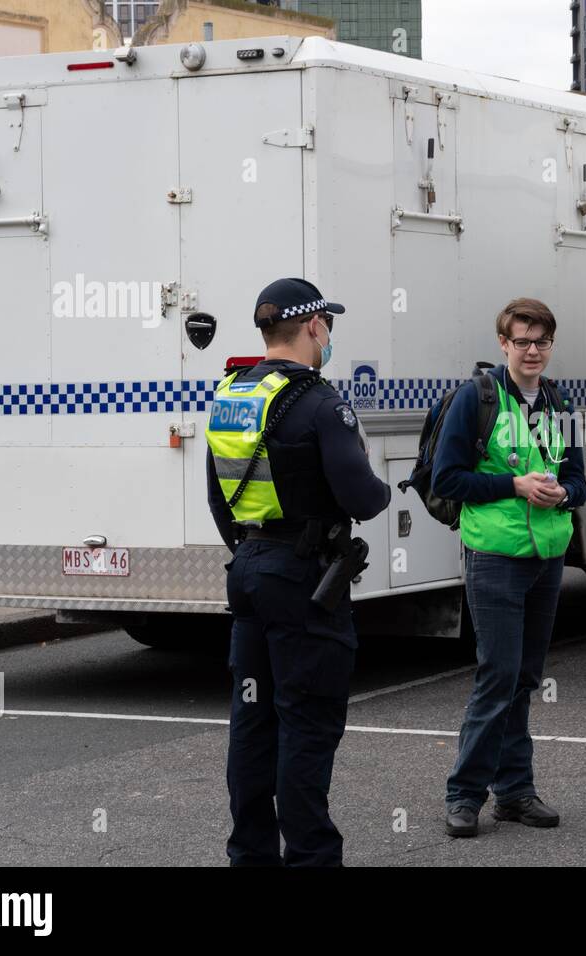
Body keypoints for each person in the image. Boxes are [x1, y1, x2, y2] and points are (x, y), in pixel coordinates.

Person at [206, 277, 391, 866]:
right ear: (314, 326)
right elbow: (363, 498)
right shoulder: (320, 402)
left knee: (253, 723)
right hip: (304, 579)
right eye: (327, 324)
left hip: (250, 567)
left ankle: (250, 856)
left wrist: (254, 548)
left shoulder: (232, 392)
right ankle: (312, 858)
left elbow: (218, 497)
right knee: (306, 722)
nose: (328, 334)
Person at [431, 297, 586, 838]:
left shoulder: (559, 401)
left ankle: (515, 792)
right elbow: (447, 479)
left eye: (541, 341)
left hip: (547, 559)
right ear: (503, 344)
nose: (532, 350)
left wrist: (563, 492)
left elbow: (580, 480)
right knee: (497, 676)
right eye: (521, 341)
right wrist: (514, 485)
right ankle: (465, 795)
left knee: (524, 678)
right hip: (495, 556)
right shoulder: (476, 399)